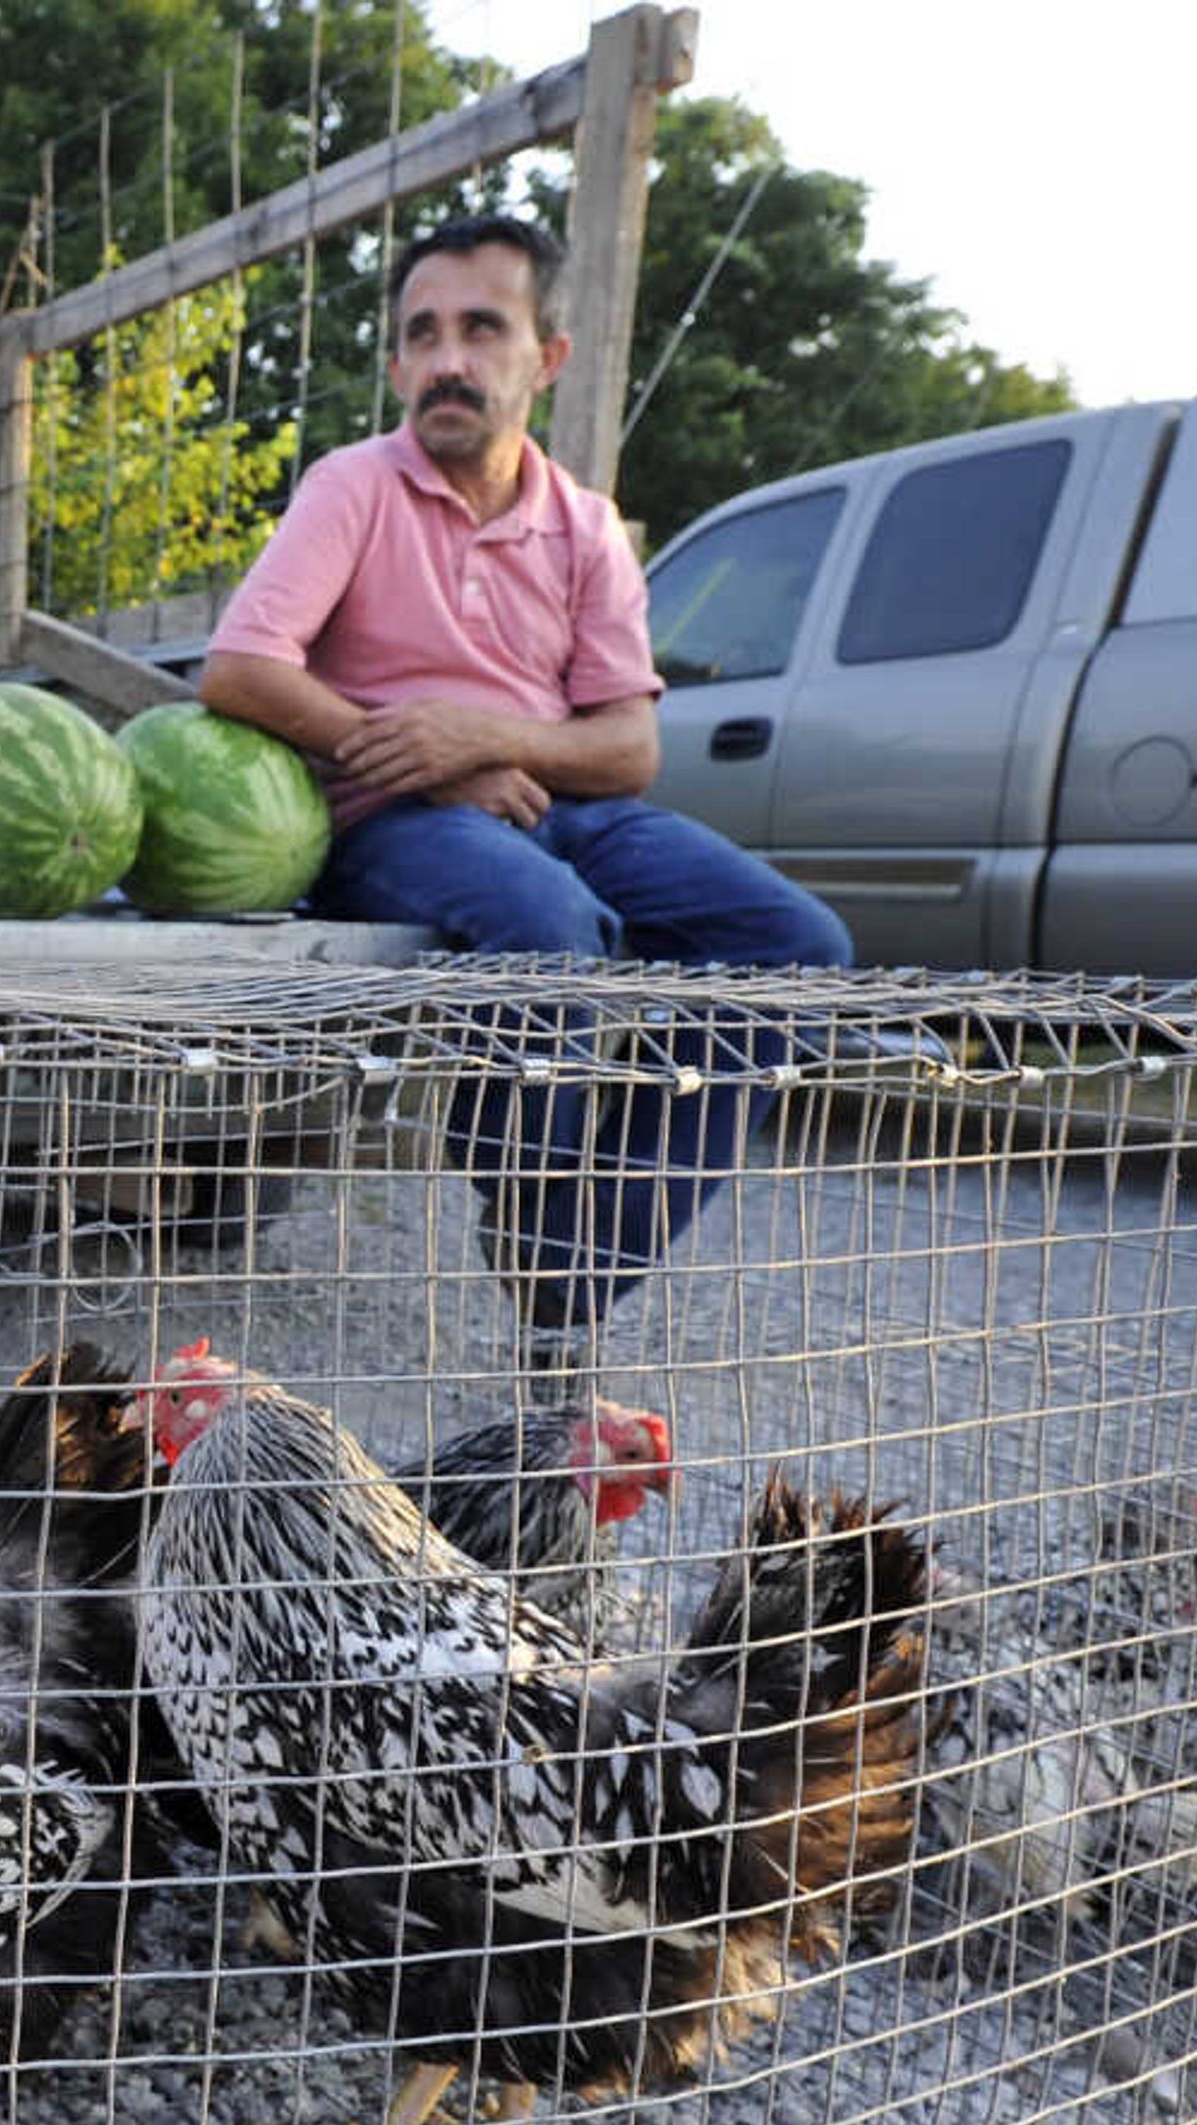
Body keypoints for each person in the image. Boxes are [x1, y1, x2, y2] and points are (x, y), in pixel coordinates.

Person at [200, 212, 853, 1355]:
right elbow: (241, 668)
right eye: (424, 333)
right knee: (548, 920)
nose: (448, 359)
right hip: (390, 820)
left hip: (566, 806)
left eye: (482, 329)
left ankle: (583, 1243)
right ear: (399, 362)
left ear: (544, 358)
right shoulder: (352, 487)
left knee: (796, 942)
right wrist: (421, 755)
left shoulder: (587, 526)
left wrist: (484, 738)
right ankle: (533, 1209)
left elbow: (628, 747)